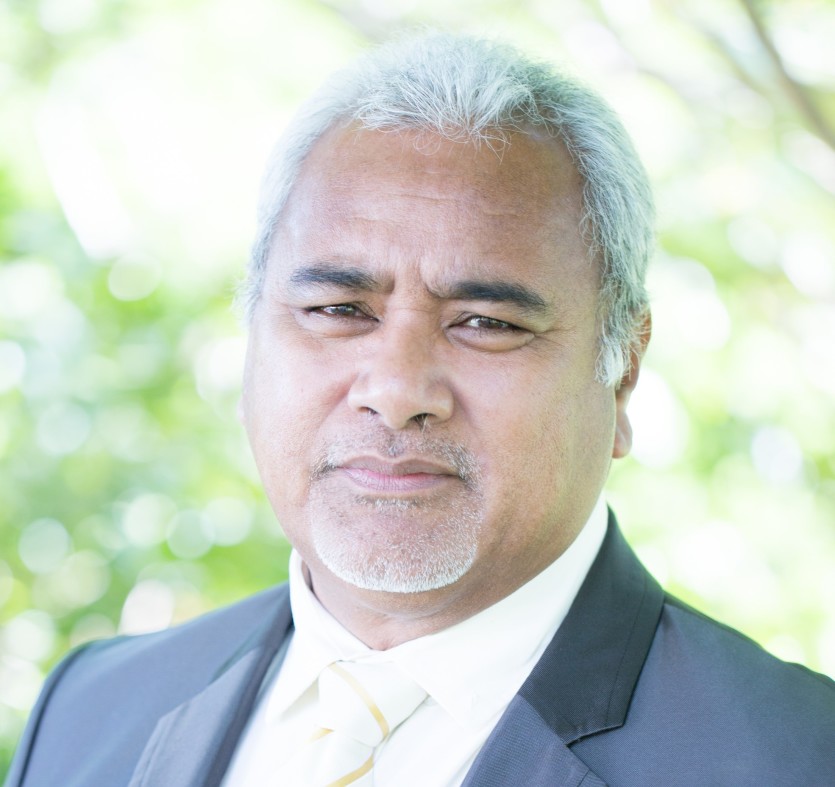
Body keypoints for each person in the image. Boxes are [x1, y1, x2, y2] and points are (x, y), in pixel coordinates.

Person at [6, 32, 835, 787]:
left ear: (622, 371)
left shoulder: (795, 758)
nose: (397, 390)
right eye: (338, 309)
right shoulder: (91, 709)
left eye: (487, 322)